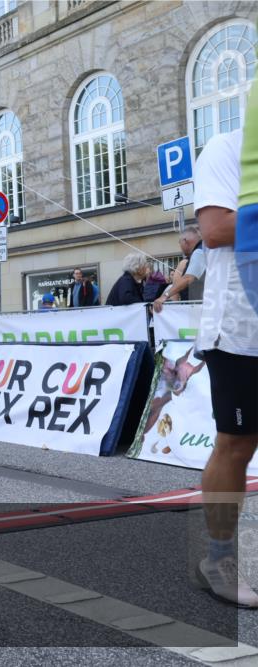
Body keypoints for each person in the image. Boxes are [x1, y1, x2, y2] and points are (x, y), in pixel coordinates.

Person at [191, 126, 258, 608]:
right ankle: (218, 558)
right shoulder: (227, 146)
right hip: (238, 326)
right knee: (236, 445)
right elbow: (214, 230)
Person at [153, 226, 207, 313]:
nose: (180, 246)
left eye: (179, 242)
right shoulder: (202, 250)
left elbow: (188, 278)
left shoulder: (199, 252)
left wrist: (165, 296)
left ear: (185, 241)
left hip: (200, 309)